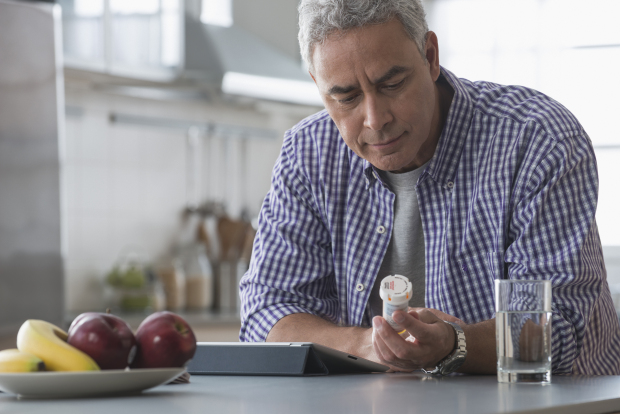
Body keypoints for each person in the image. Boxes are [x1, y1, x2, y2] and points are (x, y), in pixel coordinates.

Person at [239, 0, 620, 375]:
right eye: (346, 97)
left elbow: (558, 330)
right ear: (318, 86)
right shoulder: (308, 154)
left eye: (392, 84)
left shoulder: (537, 141)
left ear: (430, 55)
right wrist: (367, 346)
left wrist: (454, 344)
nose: (375, 120)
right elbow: (267, 313)